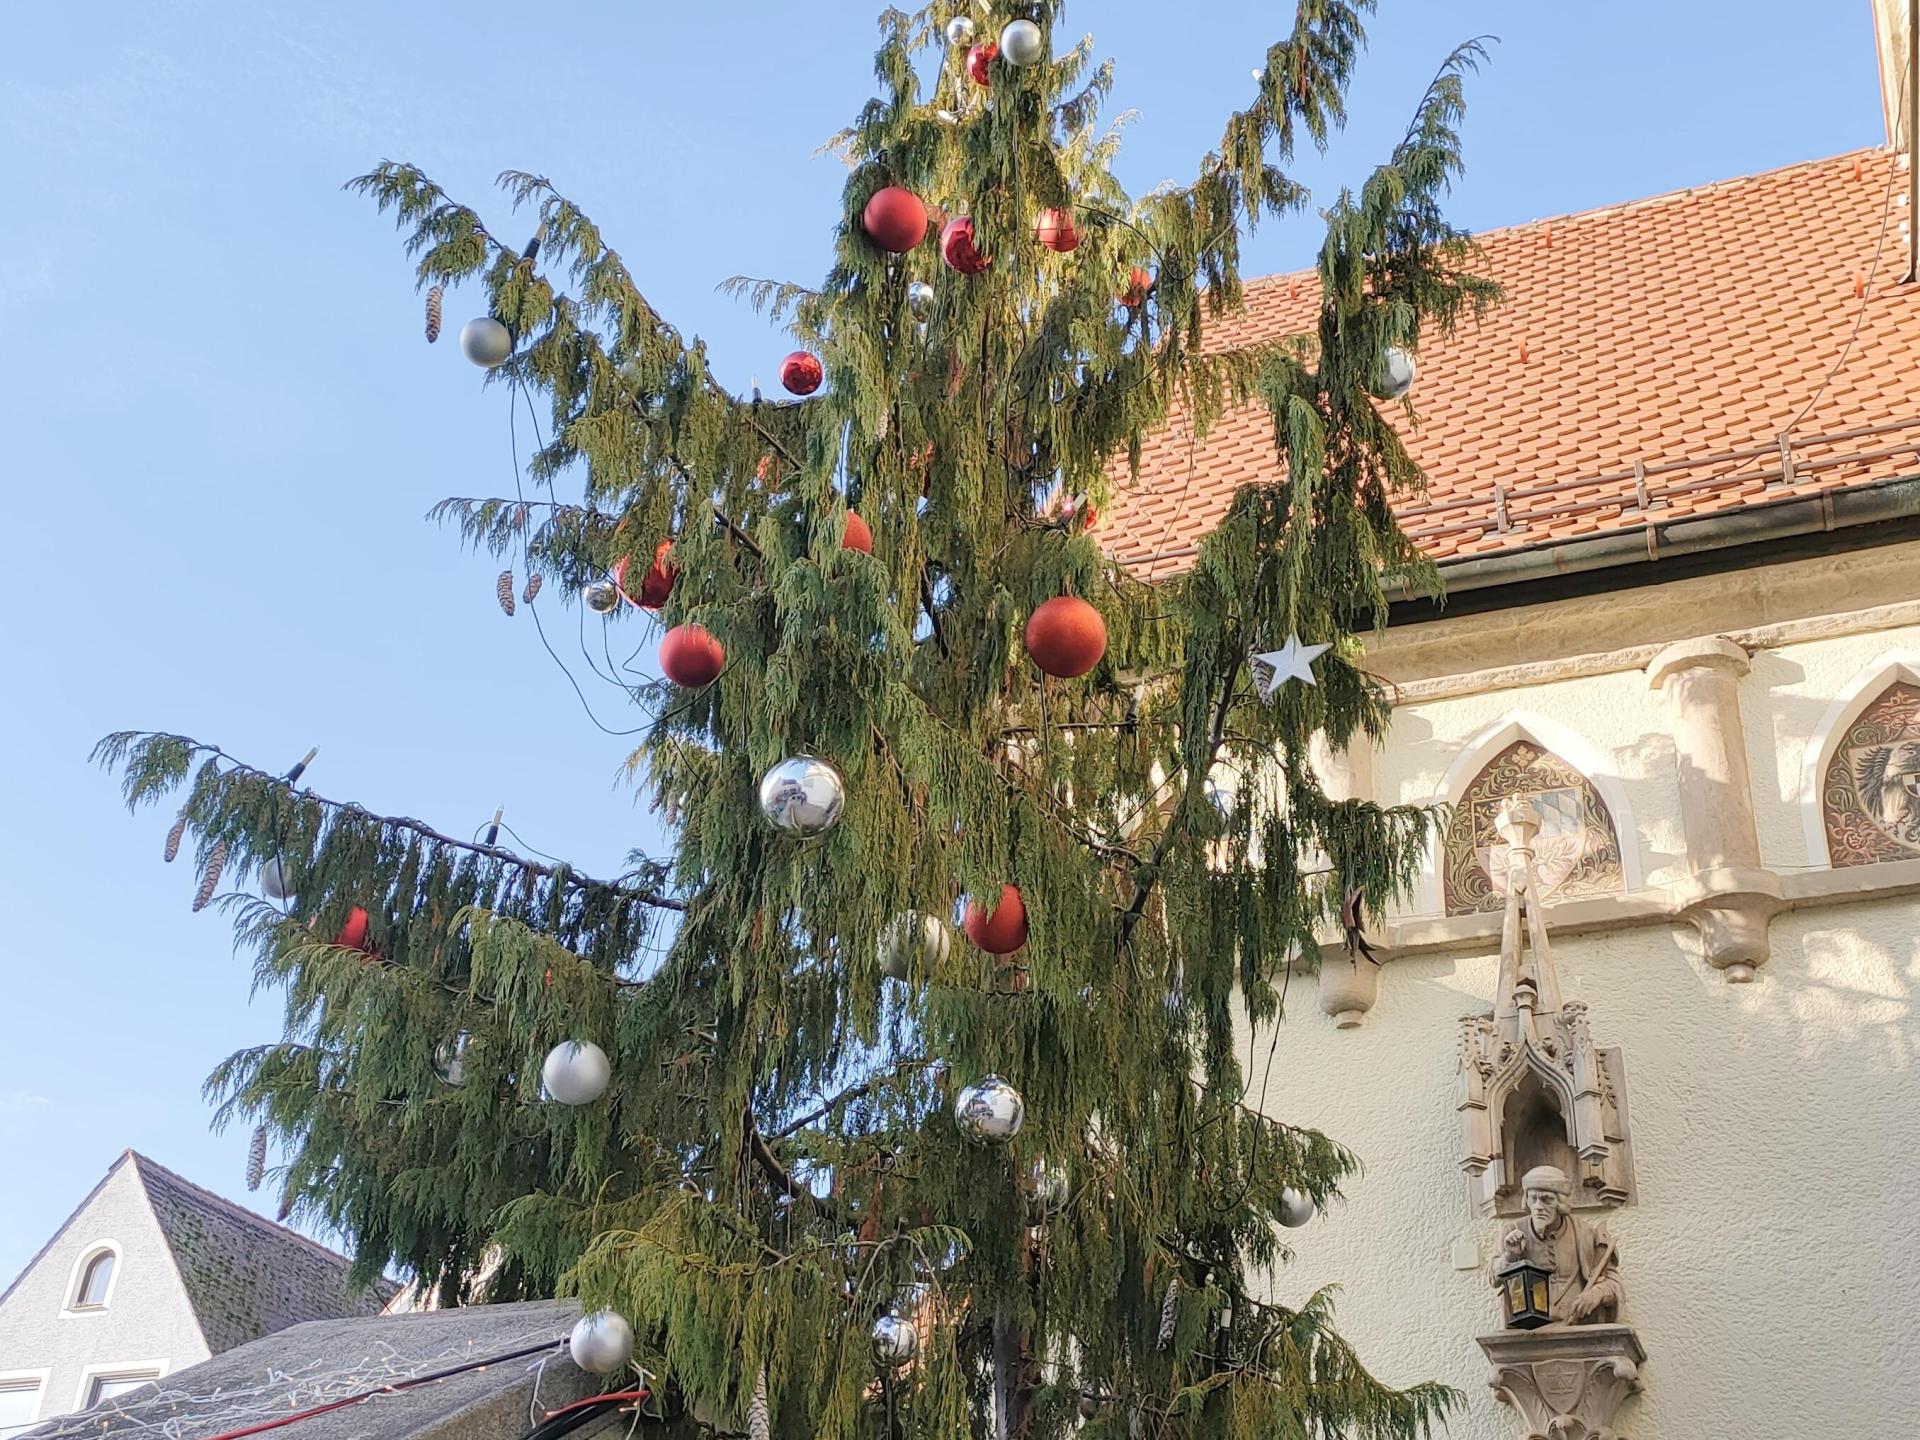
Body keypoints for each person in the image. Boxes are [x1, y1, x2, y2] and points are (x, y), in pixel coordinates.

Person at [1491, 1164, 1622, 1325]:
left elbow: (1613, 1283)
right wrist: (1510, 1257)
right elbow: (1493, 1279)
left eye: (1547, 1200)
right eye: (1533, 1199)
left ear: (1561, 1203)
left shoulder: (1585, 1234)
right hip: (1530, 1330)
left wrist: (1597, 1293)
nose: (1539, 1207)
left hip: (1578, 1326)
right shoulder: (1513, 1230)